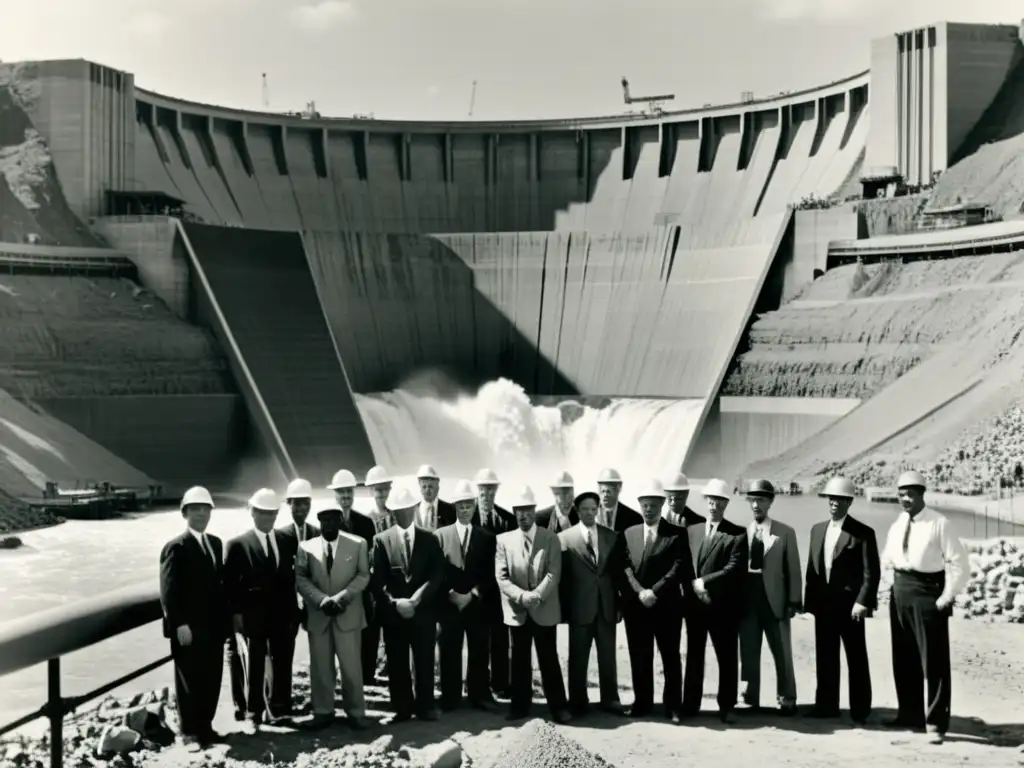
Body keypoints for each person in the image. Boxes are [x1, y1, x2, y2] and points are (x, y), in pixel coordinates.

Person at [882, 470, 969, 745]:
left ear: (921, 494)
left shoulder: (939, 523)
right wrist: (888, 587)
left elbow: (959, 564)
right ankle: (909, 715)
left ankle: (936, 722)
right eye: (901, 494)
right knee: (904, 658)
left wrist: (946, 596)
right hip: (900, 592)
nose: (905, 499)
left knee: (933, 661)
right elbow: (888, 557)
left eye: (910, 494)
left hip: (927, 593)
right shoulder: (897, 523)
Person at [804, 477, 880, 725]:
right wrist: (809, 604)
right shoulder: (816, 529)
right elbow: (812, 569)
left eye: (840, 499)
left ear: (849, 502)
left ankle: (860, 710)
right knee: (825, 656)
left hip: (850, 607)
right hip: (824, 606)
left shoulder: (863, 533)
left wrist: (862, 602)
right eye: (831, 499)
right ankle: (826, 706)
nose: (834, 503)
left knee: (856, 658)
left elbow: (872, 573)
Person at [158, 486, 228, 751]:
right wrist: (179, 623)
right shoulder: (175, 547)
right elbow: (168, 591)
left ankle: (206, 728)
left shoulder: (215, 543)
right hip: (188, 628)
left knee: (211, 677)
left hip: (213, 625)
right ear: (185, 513)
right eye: (195, 509)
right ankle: (188, 733)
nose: (201, 514)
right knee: (189, 679)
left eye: (205, 509)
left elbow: (219, 585)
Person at [495, 485, 571, 724]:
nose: (523, 516)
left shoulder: (550, 538)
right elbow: (502, 576)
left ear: (534, 510)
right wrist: (521, 597)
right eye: (519, 511)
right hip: (518, 612)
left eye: (527, 510)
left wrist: (536, 596)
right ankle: (519, 707)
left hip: (544, 609)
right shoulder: (503, 540)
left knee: (549, 659)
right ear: (514, 513)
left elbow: (554, 573)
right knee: (518, 661)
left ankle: (559, 708)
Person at [616, 479, 690, 723]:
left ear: (662, 504)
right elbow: (625, 567)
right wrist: (640, 592)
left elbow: (678, 567)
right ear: (639, 506)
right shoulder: (629, 533)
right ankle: (642, 703)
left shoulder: (677, 534)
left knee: (670, 657)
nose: (649, 509)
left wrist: (654, 592)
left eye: (653, 504)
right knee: (640, 656)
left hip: (667, 607)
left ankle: (673, 707)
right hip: (636, 608)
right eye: (645, 504)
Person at [224, 488, 296, 731]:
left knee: (283, 661)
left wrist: (294, 613)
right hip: (253, 616)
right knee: (253, 664)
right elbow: (230, 585)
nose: (268, 518)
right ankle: (253, 712)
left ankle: (281, 707)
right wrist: (236, 616)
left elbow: (290, 579)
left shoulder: (286, 540)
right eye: (263, 513)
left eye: (272, 513)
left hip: (282, 615)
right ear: (251, 512)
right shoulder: (237, 545)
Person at [295, 503, 371, 729]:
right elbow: (301, 578)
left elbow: (363, 575)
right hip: (319, 616)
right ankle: (323, 711)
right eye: (324, 519)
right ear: (319, 521)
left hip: (347, 614)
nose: (328, 523)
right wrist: (320, 600)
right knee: (320, 667)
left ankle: (356, 712)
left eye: (333, 518)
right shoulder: (306, 547)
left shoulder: (358, 544)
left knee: (351, 667)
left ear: (341, 520)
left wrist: (341, 598)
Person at [373, 485, 444, 722]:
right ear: (392, 513)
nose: (404, 515)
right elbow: (378, 581)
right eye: (398, 511)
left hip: (422, 611)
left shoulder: (429, 538)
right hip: (395, 614)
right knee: (397, 660)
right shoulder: (381, 541)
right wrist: (396, 604)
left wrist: (416, 599)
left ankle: (426, 707)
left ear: (415, 509)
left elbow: (436, 575)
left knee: (424, 659)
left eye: (407, 509)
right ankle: (402, 708)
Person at [682, 478, 747, 724]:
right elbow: (686, 564)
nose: (714, 505)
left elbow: (733, 569)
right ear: (705, 501)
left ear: (726, 503)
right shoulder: (693, 530)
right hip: (695, 607)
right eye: (710, 500)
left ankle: (727, 707)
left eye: (719, 501)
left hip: (723, 607)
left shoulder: (737, 534)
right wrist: (693, 588)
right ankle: (690, 705)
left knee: (727, 657)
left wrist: (704, 583)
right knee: (694, 656)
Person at [737, 479, 802, 716]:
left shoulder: (785, 533)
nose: (756, 504)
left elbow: (794, 569)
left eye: (761, 500)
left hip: (776, 602)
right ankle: (748, 696)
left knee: (782, 651)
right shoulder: (741, 533)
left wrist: (794, 601)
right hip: (748, 602)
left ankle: (787, 697)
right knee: (749, 651)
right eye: (753, 500)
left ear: (770, 502)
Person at [435, 479, 499, 712]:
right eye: (460, 505)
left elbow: (491, 573)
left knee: (479, 649)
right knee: (449, 649)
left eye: (469, 505)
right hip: (449, 604)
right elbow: (436, 571)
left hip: (476, 604)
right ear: (454, 507)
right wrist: (450, 593)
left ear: (474, 506)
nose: (465, 510)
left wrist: (472, 594)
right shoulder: (440, 536)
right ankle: (450, 698)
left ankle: (479, 695)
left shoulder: (487, 538)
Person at [558, 490, 623, 716]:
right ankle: (577, 701)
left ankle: (610, 699)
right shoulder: (565, 538)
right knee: (577, 658)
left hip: (606, 607)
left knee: (607, 656)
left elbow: (616, 576)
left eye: (593, 509)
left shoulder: (611, 536)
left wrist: (618, 606)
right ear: (577, 511)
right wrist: (564, 611)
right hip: (579, 607)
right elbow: (563, 580)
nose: (589, 513)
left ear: (598, 510)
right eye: (585, 509)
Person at [328, 469, 380, 685]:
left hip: (362, 587)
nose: (346, 496)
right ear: (335, 495)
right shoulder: (327, 523)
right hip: (337, 588)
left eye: (349, 491)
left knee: (368, 632)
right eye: (341, 492)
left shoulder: (366, 523)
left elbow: (371, 556)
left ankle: (367, 677)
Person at [473, 467, 515, 700]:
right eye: (483, 490)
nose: (486, 494)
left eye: (490, 489)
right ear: (477, 491)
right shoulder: (468, 518)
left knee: (500, 639)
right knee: (478, 641)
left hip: (499, 592)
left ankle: (500, 683)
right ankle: (478, 686)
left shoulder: (506, 519)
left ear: (496, 491)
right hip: (477, 591)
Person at [360, 465, 393, 686]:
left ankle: (390, 669)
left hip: (392, 580)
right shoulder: (365, 519)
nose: (381, 494)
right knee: (371, 629)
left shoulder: (396, 516)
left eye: (384, 489)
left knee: (392, 628)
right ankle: (368, 674)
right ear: (370, 491)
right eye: (377, 490)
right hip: (372, 581)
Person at [596, 468, 642, 532]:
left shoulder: (634, 519)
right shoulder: (589, 516)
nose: (605, 494)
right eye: (603, 491)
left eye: (609, 491)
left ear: (619, 488)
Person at [416, 464, 455, 530]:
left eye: (430, 486)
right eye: (424, 487)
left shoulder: (450, 510)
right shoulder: (413, 510)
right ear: (420, 488)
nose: (427, 490)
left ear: (437, 488)